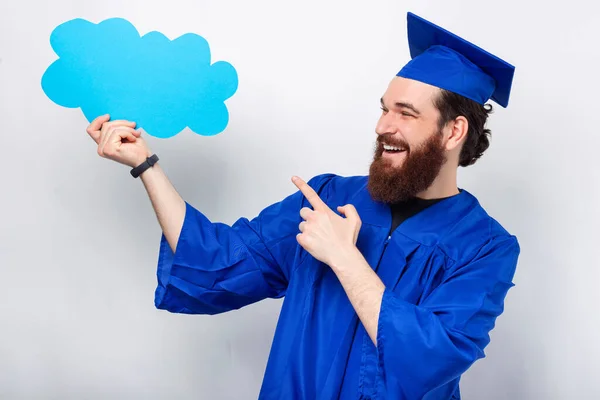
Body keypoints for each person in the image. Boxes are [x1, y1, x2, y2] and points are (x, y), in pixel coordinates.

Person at [85, 12, 520, 400]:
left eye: (405, 113)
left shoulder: (485, 247)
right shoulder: (328, 198)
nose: (382, 125)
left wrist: (345, 258)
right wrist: (146, 164)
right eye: (384, 109)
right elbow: (217, 262)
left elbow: (431, 359)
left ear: (453, 131)